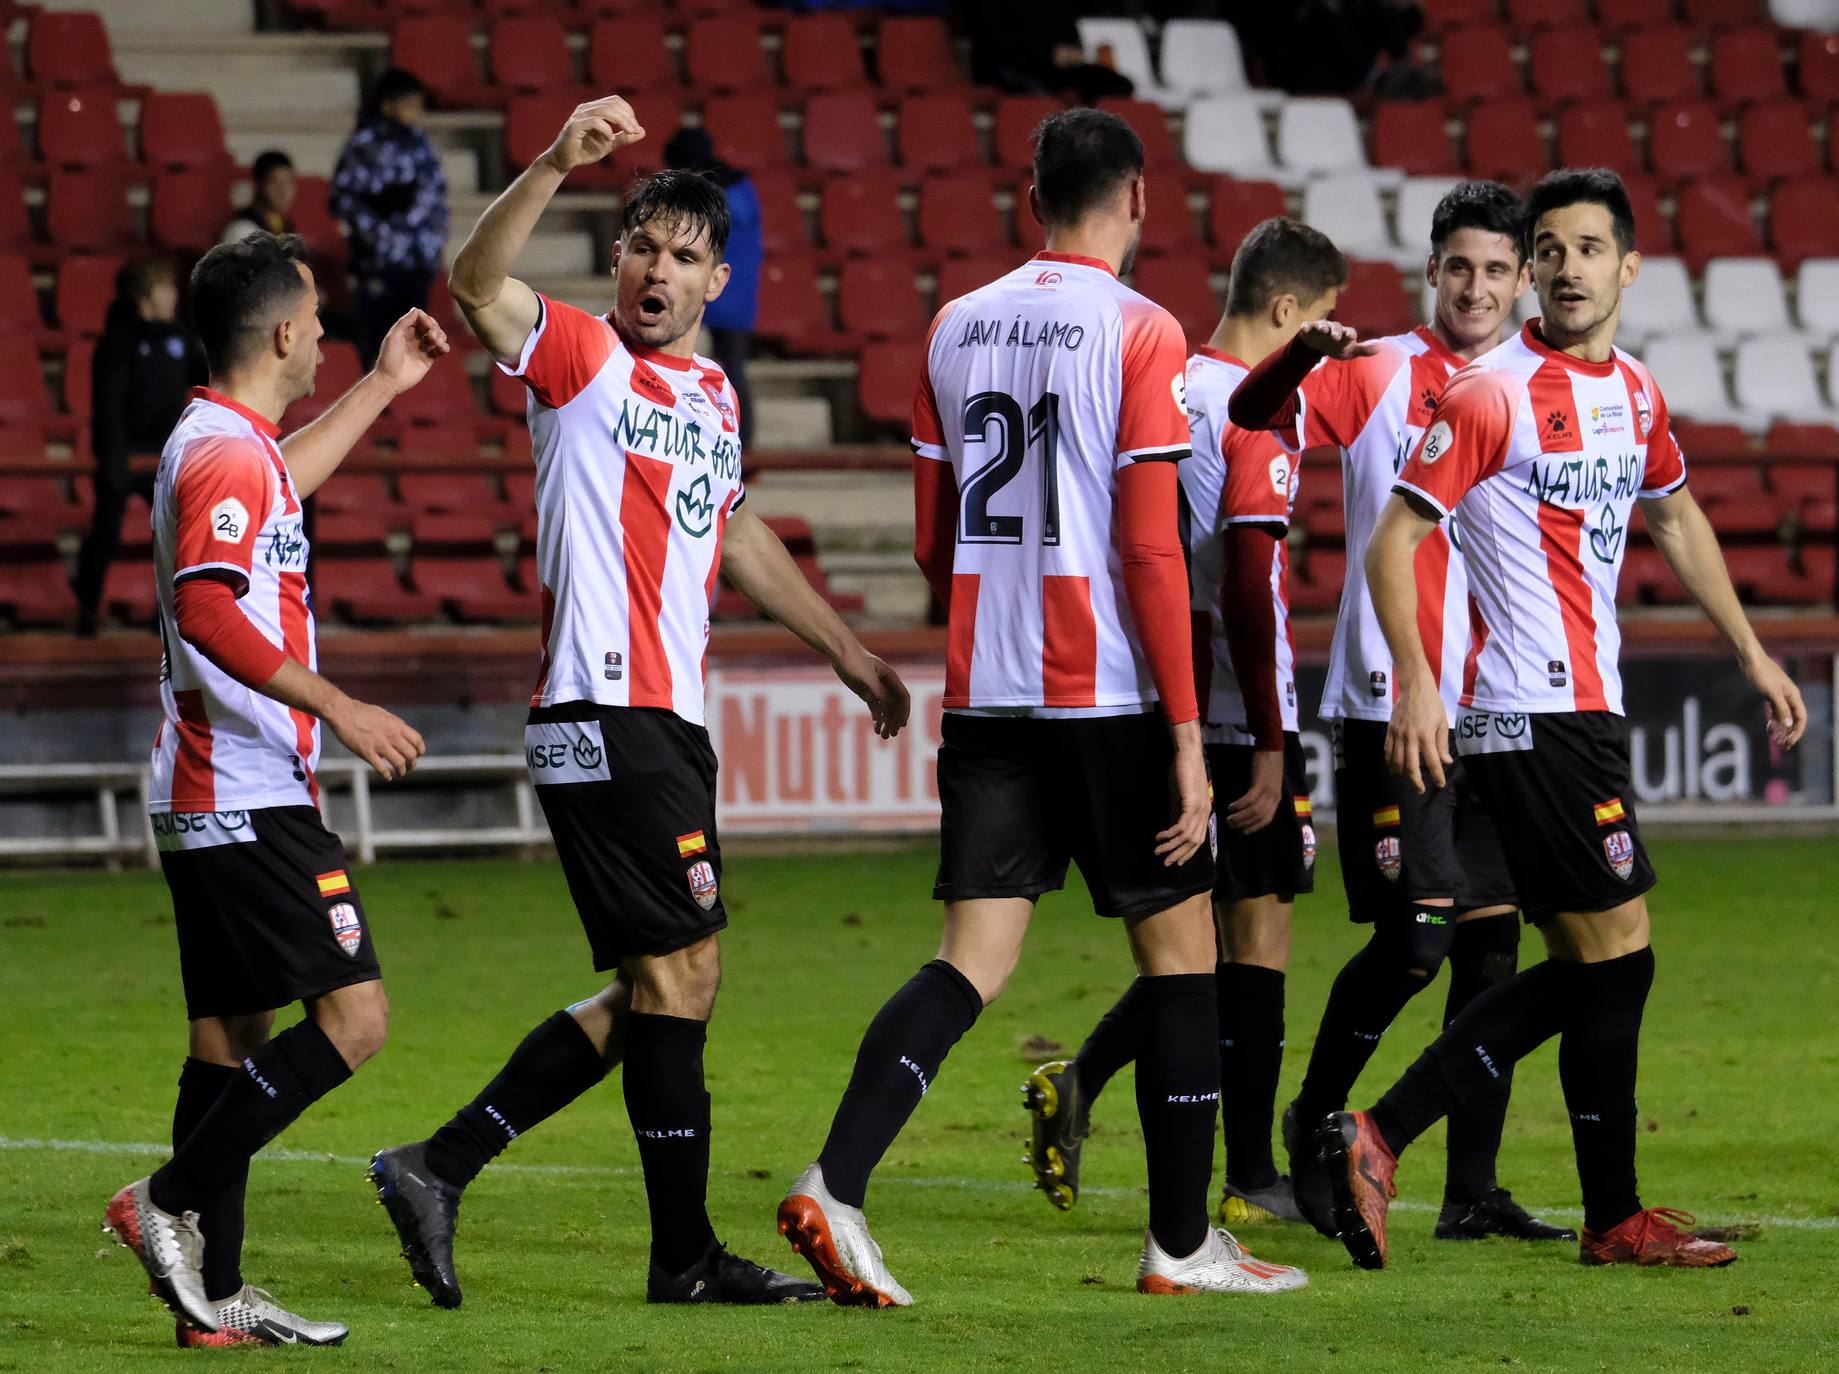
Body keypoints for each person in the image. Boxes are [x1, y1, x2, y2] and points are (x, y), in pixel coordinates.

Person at [367, 95, 909, 1309]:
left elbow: (736, 532)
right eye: (643, 246)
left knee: (668, 981)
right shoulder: (581, 356)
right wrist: (558, 160)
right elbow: (474, 280)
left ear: (718, 277)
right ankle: (673, 1258)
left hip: (662, 724)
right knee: (682, 976)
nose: (658, 268)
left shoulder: (711, 395)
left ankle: (441, 1166)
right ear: (619, 259)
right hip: (603, 714)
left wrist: (846, 650)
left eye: (682, 254)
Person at [776, 107, 1309, 1307]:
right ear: (1133, 198)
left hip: (990, 692)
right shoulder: (1142, 329)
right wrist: (1185, 736)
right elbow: (1150, 547)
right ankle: (1182, 1246)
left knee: (968, 961)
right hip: (1110, 696)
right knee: (1181, 958)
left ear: (1030, 199)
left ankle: (836, 1182)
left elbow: (931, 537)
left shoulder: (953, 325)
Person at [1318, 168, 1807, 1271]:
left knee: (1604, 961)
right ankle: (1383, 1132)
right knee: (1614, 954)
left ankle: (1605, 1213)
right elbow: (1397, 540)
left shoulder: (1635, 392)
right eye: (1550, 250)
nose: (1567, 268)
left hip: (1579, 711)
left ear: (1629, 267)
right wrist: (1417, 677)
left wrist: (1750, 649)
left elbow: (1674, 514)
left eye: (1589, 248)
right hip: (1529, 716)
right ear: (1532, 270)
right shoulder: (1490, 394)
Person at [100, 231, 447, 1345]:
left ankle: (217, 1291)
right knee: (355, 1018)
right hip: (244, 786)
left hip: (208, 787)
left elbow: (280, 481)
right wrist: (338, 705)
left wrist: (385, 387)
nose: (328, 335)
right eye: (320, 318)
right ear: (288, 331)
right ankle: (168, 1199)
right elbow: (207, 610)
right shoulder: (220, 455)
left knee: (232, 1037)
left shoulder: (225, 443)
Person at [1229, 181, 1573, 1246]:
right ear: (1432, 270)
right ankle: (1314, 1122)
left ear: (1523, 278)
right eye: (1457, 266)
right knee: (1419, 939)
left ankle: (1471, 1189)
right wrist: (1301, 356)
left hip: (1502, 707)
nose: (1476, 287)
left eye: (1496, 269)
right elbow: (1250, 410)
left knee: (1490, 948)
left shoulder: (1541, 388)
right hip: (1391, 701)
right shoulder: (1375, 368)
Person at [1019, 217, 1348, 1229]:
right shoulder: (1258, 414)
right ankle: (1248, 1173)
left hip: (1156, 699)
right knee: (1254, 945)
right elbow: (1250, 581)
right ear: (1289, 312)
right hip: (1232, 712)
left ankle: (1088, 1080)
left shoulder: (1169, 387)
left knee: (1192, 953)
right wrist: (1270, 737)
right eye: (1324, 322)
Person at [73, 258, 207, 636]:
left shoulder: (179, 338)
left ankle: (163, 616)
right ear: (147, 294)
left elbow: (210, 377)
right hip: (124, 454)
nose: (174, 295)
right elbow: (108, 405)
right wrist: (113, 458)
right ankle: (86, 608)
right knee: (106, 532)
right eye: (167, 287)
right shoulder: (118, 341)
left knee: (173, 538)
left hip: (164, 456)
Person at [331, 69, 448, 366]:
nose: (416, 111)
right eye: (409, 103)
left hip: (417, 262)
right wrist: (383, 238)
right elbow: (346, 199)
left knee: (412, 345)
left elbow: (434, 194)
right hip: (379, 265)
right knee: (377, 346)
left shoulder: (419, 143)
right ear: (388, 104)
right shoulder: (365, 145)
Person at [664, 126, 759, 453]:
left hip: (706, 290)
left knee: (719, 370)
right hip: (735, 293)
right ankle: (739, 446)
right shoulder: (741, 187)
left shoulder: (707, 195)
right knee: (732, 368)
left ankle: (735, 446)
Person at [220, 151, 298, 245]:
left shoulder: (284, 228)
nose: (284, 191)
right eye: (275, 183)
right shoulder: (242, 231)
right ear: (258, 184)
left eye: (289, 183)